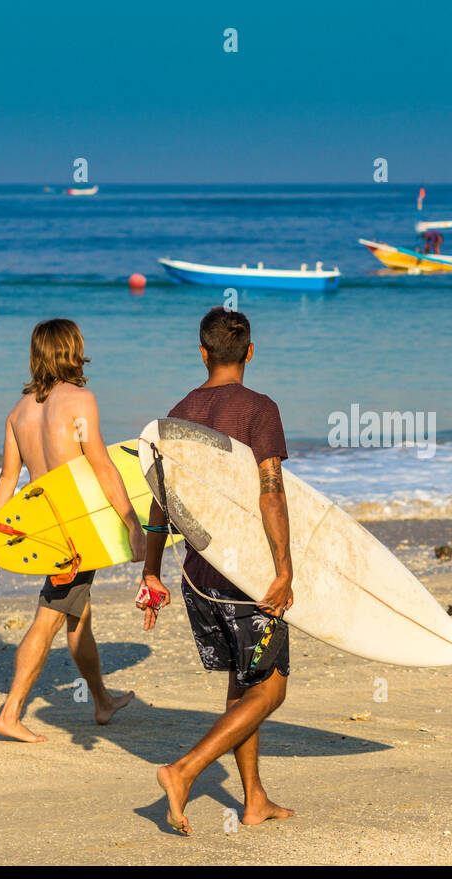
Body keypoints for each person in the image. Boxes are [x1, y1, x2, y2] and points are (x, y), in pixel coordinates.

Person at [137, 306, 294, 834]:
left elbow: (162, 497)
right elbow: (270, 492)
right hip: (244, 574)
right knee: (271, 690)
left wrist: (152, 572)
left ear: (203, 354)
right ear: (249, 352)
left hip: (196, 575)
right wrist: (284, 569)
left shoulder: (178, 412)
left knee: (242, 684)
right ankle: (184, 771)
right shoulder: (259, 408)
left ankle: (253, 800)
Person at [0, 318, 144, 743]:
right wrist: (131, 521)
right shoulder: (80, 401)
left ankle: (102, 700)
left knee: (78, 615)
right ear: (73, 350)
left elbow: (6, 481)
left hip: (43, 530)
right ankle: (10, 714)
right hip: (77, 530)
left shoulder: (18, 413)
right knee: (49, 617)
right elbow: (102, 466)